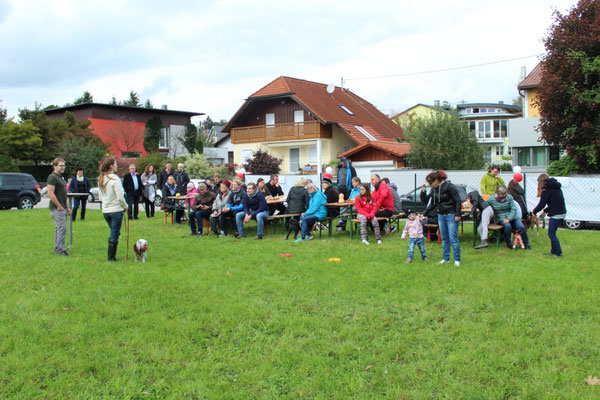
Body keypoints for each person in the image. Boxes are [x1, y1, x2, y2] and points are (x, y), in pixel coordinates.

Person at [423, 170, 462, 266]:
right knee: (444, 238)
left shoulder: (449, 186)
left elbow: (457, 200)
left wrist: (458, 214)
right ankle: (446, 259)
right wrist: (424, 214)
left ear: (437, 180)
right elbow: (432, 203)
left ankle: (457, 260)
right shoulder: (434, 189)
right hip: (440, 215)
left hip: (451, 215)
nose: (430, 185)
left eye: (431, 182)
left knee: (453, 238)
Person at [98, 157, 128, 262]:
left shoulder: (101, 178)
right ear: (111, 166)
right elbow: (120, 197)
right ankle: (111, 257)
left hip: (106, 211)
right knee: (114, 234)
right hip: (116, 210)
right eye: (115, 164)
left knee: (115, 232)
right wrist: (125, 206)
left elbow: (100, 197)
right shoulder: (115, 179)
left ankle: (111, 255)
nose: (117, 166)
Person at [487, 184, 531, 250]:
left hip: (513, 217)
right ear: (497, 193)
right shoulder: (491, 199)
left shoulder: (509, 197)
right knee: (507, 226)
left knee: (521, 227)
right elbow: (485, 204)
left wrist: (509, 218)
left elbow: (513, 209)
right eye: (502, 194)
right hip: (501, 217)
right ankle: (509, 244)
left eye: (505, 193)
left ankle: (527, 244)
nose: (504, 195)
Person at [532, 174, 566, 258]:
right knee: (552, 233)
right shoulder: (556, 187)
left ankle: (558, 253)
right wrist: (545, 211)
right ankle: (553, 251)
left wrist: (534, 212)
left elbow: (542, 204)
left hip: (556, 214)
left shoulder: (546, 189)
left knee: (551, 234)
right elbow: (554, 202)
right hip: (561, 211)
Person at [47, 158, 70, 256]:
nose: (63, 167)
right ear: (55, 166)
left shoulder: (60, 177)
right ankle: (61, 250)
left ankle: (58, 248)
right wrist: (59, 206)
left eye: (64, 165)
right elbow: (50, 193)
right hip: (57, 208)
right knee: (62, 228)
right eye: (61, 165)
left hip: (63, 207)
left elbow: (63, 193)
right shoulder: (52, 177)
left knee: (59, 229)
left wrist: (67, 207)